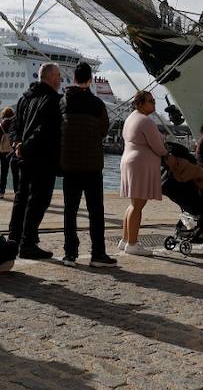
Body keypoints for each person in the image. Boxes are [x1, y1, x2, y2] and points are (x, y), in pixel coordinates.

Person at [58, 63, 117, 267]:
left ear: (73, 77)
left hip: (69, 165)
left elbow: (58, 131)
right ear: (90, 79)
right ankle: (98, 254)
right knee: (95, 211)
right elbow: (103, 130)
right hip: (92, 166)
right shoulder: (97, 104)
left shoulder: (62, 102)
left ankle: (70, 254)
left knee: (70, 211)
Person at [9, 63, 63, 259]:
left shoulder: (25, 98)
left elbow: (14, 125)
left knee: (21, 197)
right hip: (42, 158)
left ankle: (14, 238)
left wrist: (17, 144)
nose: (61, 79)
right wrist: (24, 146)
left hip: (23, 157)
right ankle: (28, 242)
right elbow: (44, 130)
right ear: (51, 77)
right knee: (39, 200)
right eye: (58, 75)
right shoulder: (52, 100)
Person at [118, 90, 170, 256]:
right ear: (140, 103)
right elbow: (159, 147)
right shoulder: (146, 121)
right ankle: (133, 243)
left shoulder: (131, 117)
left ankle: (126, 240)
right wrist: (164, 146)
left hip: (129, 160)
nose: (154, 104)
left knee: (133, 204)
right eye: (150, 101)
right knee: (138, 205)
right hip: (140, 164)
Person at [0, 107, 18, 197]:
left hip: (3, 151)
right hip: (13, 149)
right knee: (15, 172)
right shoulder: (15, 124)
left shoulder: (0, 125)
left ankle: (1, 192)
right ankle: (17, 192)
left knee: (4, 171)